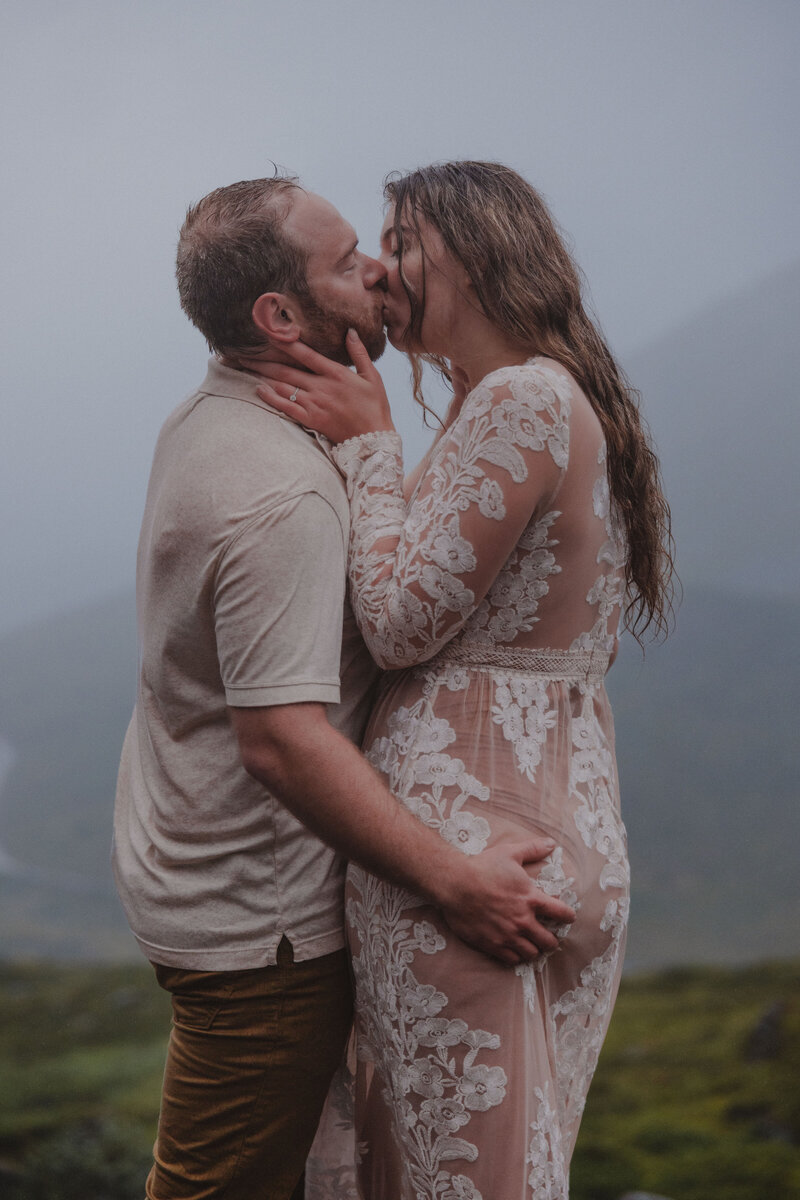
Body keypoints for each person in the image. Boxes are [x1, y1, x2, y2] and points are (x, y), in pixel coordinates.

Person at [112, 173, 576, 1200]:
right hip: (262, 927)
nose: (373, 266)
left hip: (205, 876)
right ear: (277, 316)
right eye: (342, 262)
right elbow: (281, 739)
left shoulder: (218, 417)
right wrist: (455, 882)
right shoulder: (276, 488)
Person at [258, 160, 674, 1199]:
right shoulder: (575, 401)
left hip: (464, 839)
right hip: (569, 828)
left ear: (474, 251)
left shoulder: (514, 400)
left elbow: (400, 626)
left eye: (401, 243)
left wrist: (367, 452)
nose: (382, 272)